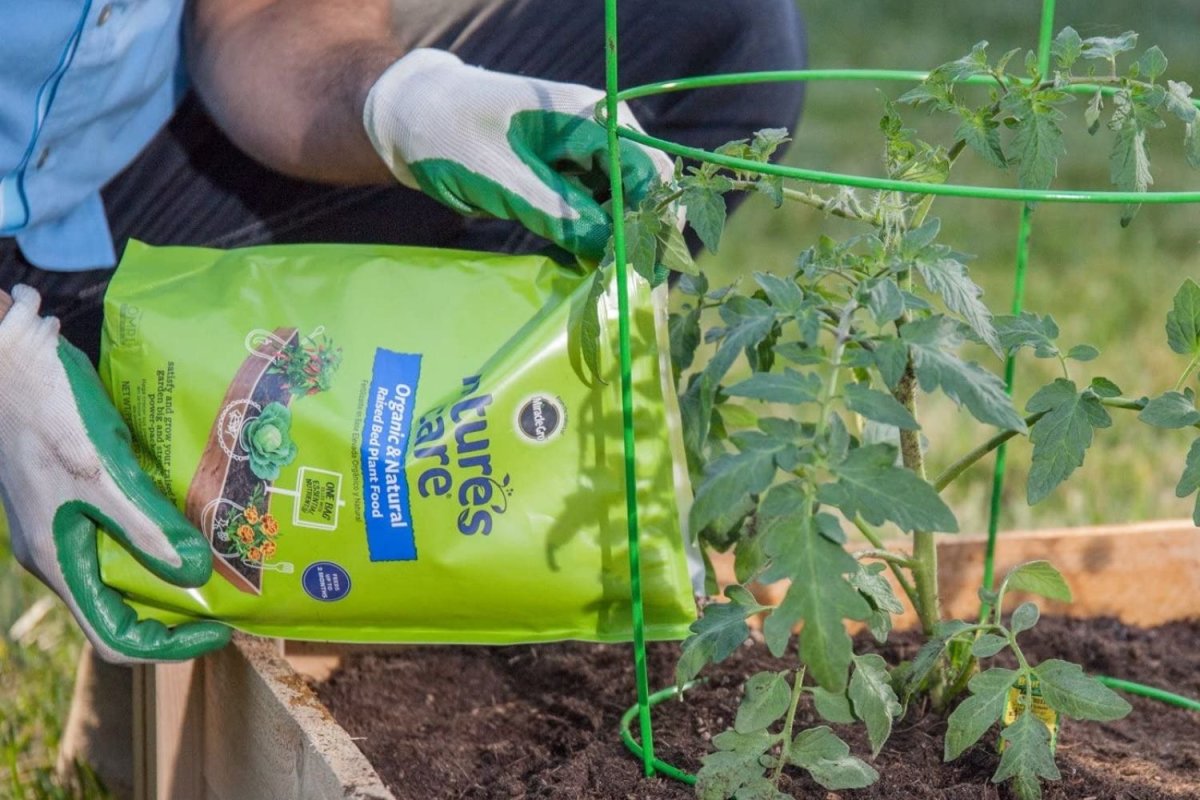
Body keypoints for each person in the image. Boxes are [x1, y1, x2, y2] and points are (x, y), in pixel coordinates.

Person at [0, 0, 807, 664]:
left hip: (128, 186)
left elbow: (257, 14)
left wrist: (399, 104)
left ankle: (447, 568)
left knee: (722, 31)